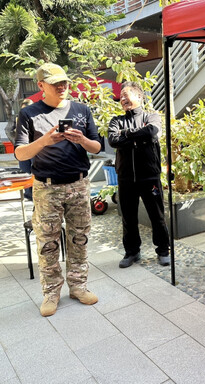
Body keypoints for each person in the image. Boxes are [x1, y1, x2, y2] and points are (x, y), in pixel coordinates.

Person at [14, 63, 101, 317]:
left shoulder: (81, 109)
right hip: (47, 187)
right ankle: (51, 292)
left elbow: (97, 147)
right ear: (41, 86)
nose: (62, 87)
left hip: (78, 184)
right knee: (48, 242)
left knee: (79, 237)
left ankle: (78, 285)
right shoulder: (30, 114)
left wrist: (81, 140)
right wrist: (45, 140)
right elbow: (21, 152)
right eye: (55, 84)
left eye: (64, 82)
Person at [108, 82, 171, 268]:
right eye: (121, 96)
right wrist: (137, 136)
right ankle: (132, 252)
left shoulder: (151, 116)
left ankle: (163, 250)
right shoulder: (116, 121)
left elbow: (152, 131)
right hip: (126, 177)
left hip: (149, 175)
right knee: (128, 217)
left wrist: (126, 135)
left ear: (139, 97)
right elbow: (113, 140)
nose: (123, 99)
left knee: (157, 215)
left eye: (127, 95)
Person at [17, 99, 34, 200]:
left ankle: (34, 194)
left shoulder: (37, 118)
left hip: (34, 148)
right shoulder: (20, 119)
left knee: (35, 171)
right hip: (23, 149)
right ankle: (28, 194)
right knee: (24, 170)